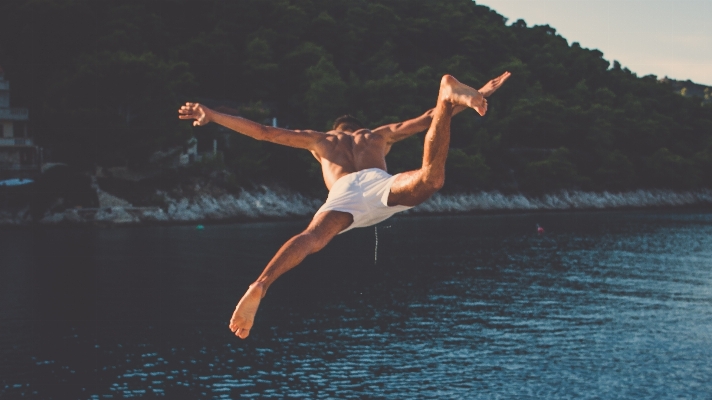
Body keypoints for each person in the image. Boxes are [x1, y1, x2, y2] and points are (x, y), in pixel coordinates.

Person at [178, 71, 511, 339]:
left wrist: (213, 115)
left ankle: (261, 284)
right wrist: (477, 95)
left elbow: (263, 131)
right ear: (357, 128)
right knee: (429, 179)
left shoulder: (321, 140)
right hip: (378, 182)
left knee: (312, 238)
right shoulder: (378, 135)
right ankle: (446, 89)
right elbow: (430, 118)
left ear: (337, 129)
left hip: (342, 194)